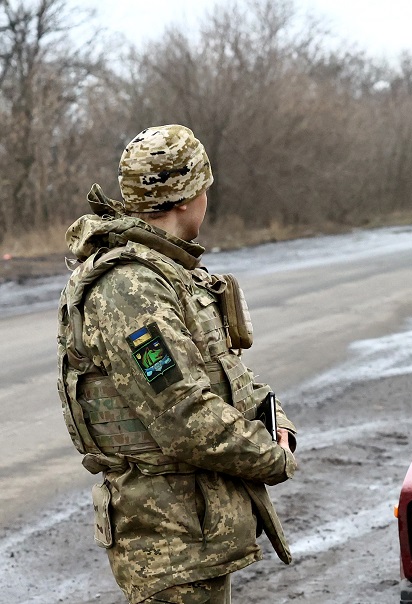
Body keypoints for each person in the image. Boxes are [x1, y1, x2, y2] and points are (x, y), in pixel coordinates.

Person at [56, 125, 298, 604]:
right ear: (189, 196)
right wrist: (272, 456)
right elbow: (184, 417)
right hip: (169, 542)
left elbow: (225, 371)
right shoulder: (131, 289)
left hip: (194, 534)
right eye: (206, 187)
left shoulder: (171, 273)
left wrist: (276, 419)